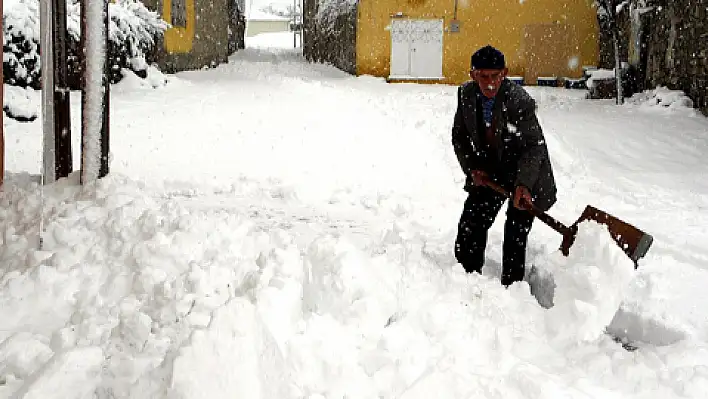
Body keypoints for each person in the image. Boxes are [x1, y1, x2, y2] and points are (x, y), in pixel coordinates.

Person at [451, 45, 557, 287]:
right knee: (472, 222)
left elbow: (533, 146)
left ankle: (512, 288)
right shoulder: (466, 96)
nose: (489, 83)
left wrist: (523, 184)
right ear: (472, 74)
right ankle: (465, 280)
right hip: (491, 171)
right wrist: (472, 168)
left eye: (495, 76)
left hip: (526, 173)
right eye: (483, 76)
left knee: (515, 233)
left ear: (505, 73)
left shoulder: (519, 101)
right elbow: (459, 136)